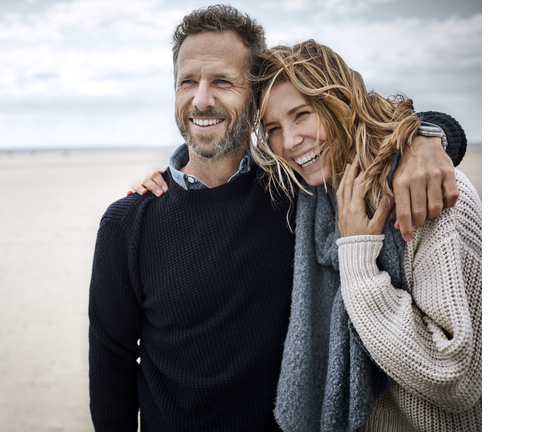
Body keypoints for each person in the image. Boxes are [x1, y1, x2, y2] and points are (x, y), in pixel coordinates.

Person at [88, 5, 466, 431]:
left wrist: (428, 139)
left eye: (223, 82)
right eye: (187, 82)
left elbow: (369, 132)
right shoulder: (128, 222)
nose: (202, 99)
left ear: (255, 98)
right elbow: (111, 367)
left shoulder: (296, 194)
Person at [253, 41, 481, 431]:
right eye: (273, 129)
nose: (289, 142)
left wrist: (358, 258)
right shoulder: (310, 197)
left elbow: (454, 380)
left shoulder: (429, 195)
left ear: (338, 102)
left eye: (301, 115)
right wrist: (166, 182)